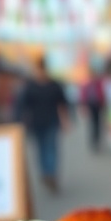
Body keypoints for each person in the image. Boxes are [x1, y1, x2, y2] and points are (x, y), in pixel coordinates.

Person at [16, 55, 69, 192]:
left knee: (50, 148)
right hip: (36, 123)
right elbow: (23, 106)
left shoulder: (54, 85)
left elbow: (62, 104)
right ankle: (45, 173)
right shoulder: (30, 86)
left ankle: (51, 174)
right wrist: (22, 122)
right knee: (40, 149)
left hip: (51, 121)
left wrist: (65, 121)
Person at [80, 71, 106, 151]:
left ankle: (97, 140)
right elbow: (84, 97)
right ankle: (93, 141)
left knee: (97, 124)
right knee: (92, 124)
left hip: (98, 106)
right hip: (91, 106)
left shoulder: (99, 84)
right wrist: (84, 107)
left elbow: (102, 95)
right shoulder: (88, 85)